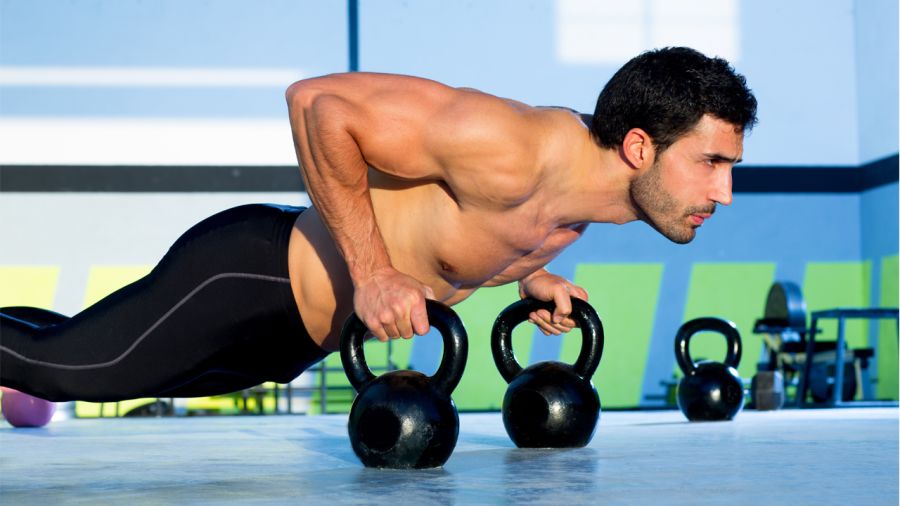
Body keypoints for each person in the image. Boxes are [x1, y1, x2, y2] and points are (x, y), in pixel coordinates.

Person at [0, 47, 757, 403]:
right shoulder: (510, 146)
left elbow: (477, 230)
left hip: (293, 340)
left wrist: (534, 275)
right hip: (251, 277)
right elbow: (316, 103)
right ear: (638, 147)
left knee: (71, 349)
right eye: (711, 163)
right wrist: (372, 273)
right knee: (71, 373)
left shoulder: (589, 200)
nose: (723, 194)